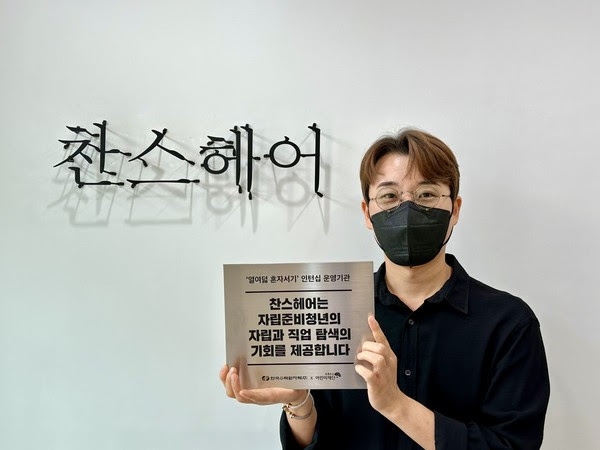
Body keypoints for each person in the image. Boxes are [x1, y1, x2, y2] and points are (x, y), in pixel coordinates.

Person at [220, 128, 550, 449]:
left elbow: (511, 443)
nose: (407, 209)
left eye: (426, 194)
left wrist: (395, 404)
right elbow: (318, 441)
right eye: (389, 196)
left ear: (455, 210)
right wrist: (299, 402)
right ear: (367, 213)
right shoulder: (331, 307)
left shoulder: (508, 322)